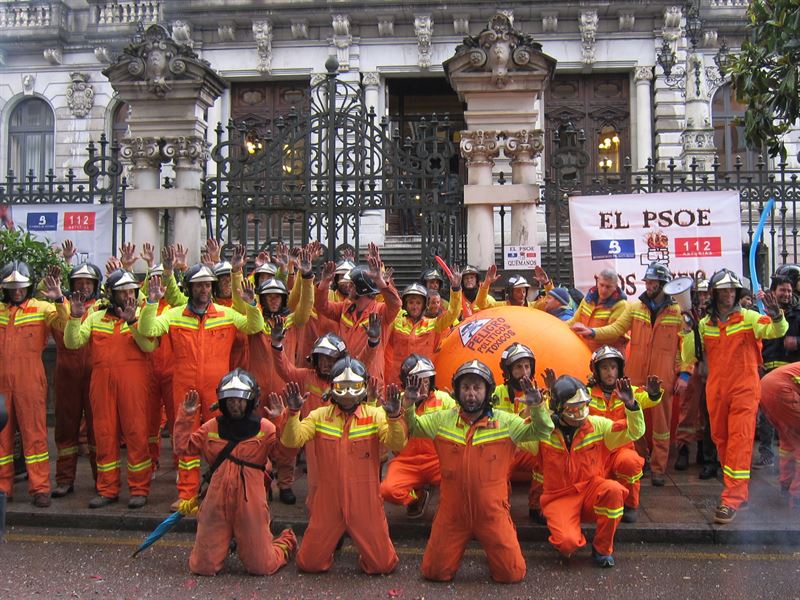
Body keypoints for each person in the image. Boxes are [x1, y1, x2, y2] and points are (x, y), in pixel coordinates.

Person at [404, 359, 553, 583]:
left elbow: (543, 431)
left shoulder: (505, 422)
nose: (471, 394)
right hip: (452, 514)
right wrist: (408, 405)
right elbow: (413, 427)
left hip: (493, 514)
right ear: (457, 392)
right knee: (434, 573)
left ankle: (495, 552)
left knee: (511, 575)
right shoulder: (442, 420)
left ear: (488, 391)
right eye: (465, 388)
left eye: (477, 387)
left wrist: (537, 407)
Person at [140, 263, 265, 508]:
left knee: (220, 439)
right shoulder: (175, 315)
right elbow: (147, 329)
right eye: (199, 285)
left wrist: (252, 305)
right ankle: (187, 495)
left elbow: (254, 327)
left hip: (216, 392)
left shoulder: (225, 314)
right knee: (186, 441)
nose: (204, 289)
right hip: (184, 390)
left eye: (208, 284)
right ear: (190, 288)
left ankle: (219, 492)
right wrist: (152, 302)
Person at [280, 357, 406, 574]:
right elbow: (292, 441)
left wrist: (394, 417)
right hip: (328, 501)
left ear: (363, 387)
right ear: (332, 387)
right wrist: (293, 414)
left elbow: (397, 444)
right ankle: (287, 542)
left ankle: (366, 550)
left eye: (353, 386)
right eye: (342, 387)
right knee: (308, 564)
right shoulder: (319, 415)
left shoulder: (375, 415)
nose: (347, 393)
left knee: (383, 566)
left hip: (365, 501)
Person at [681, 269, 787, 524]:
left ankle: (733, 498)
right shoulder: (705, 324)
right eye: (724, 290)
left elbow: (776, 331)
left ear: (737, 292)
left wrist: (776, 316)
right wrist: (689, 329)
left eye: (732, 290)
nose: (729, 294)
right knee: (722, 441)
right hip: (716, 391)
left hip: (744, 390)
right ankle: (740, 491)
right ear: (715, 294)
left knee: (739, 441)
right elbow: (687, 355)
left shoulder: (749, 317)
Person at [173, 369, 297, 576]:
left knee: (262, 567)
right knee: (202, 567)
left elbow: (285, 454)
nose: (235, 405)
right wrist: (186, 415)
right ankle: (227, 541)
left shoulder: (264, 428)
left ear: (250, 401)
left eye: (240, 400)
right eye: (230, 400)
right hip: (216, 500)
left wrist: (282, 420)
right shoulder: (211, 427)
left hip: (250, 502)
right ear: (222, 401)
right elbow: (182, 447)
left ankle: (286, 541)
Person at [521, 374, 645, 568]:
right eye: (573, 408)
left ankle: (602, 549)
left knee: (613, 490)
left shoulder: (597, 425)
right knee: (567, 544)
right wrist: (533, 409)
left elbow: (634, 431)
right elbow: (518, 434)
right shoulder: (543, 432)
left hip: (591, 491)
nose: (580, 413)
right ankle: (569, 528)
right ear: (559, 408)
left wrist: (631, 405)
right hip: (559, 497)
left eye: (583, 406)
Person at [62, 269, 158, 508]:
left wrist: (132, 322)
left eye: (131, 290)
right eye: (122, 291)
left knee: (136, 435)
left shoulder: (143, 315)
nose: (127, 295)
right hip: (102, 386)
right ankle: (107, 489)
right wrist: (74, 318)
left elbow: (149, 346)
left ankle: (139, 489)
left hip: (133, 386)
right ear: (111, 294)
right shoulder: (95, 317)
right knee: (105, 436)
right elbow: (72, 342)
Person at [587, 262, 683, 486]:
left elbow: (685, 344)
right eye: (648, 281)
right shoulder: (635, 308)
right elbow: (616, 329)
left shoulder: (677, 312)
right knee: (634, 419)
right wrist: (592, 332)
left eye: (653, 282)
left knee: (661, 426)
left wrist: (685, 373)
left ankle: (659, 468)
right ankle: (642, 460)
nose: (649, 285)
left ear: (663, 284)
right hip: (635, 375)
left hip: (662, 376)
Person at [0, 261, 59, 507]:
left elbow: (65, 328)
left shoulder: (42, 308)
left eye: (21, 287)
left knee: (34, 435)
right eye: (12, 288)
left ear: (29, 286)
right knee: (1, 437)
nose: (17, 292)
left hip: (30, 381)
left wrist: (60, 300)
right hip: (1, 382)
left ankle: (40, 488)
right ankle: (3, 488)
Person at [587, 346, 662, 522]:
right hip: (595, 451)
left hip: (621, 450)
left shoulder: (629, 390)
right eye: (604, 368)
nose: (609, 372)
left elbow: (648, 400)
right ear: (596, 371)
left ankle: (630, 504)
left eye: (613, 367)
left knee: (631, 462)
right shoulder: (586, 393)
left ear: (619, 369)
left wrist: (654, 393)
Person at [314, 244, 401, 385]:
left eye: (352, 285)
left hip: (370, 378)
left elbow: (396, 304)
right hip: (345, 375)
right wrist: (324, 282)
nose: (348, 287)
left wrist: (380, 280)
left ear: (362, 289)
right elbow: (322, 306)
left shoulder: (380, 312)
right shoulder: (345, 308)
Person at [50, 262, 102, 498]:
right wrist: (62, 301)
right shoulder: (60, 305)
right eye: (79, 282)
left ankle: (102, 480)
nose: (83, 286)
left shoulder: (101, 307)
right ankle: (64, 480)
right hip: (67, 376)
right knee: (65, 429)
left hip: (94, 376)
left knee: (98, 431)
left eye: (88, 283)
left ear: (95, 285)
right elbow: (61, 325)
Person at [380, 354, 454, 518]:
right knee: (388, 491)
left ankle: (448, 509)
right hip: (406, 462)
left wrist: (461, 404)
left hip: (438, 460)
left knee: (460, 482)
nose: (422, 386)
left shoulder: (444, 400)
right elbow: (378, 422)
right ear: (406, 383)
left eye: (426, 381)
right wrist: (372, 401)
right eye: (416, 381)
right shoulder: (395, 402)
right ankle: (417, 497)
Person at [493, 342, 544, 519]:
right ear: (507, 371)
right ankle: (500, 508)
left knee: (547, 458)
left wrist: (536, 405)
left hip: (526, 449)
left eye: (527, 366)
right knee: (497, 473)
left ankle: (536, 506)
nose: (524, 372)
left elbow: (545, 428)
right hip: (502, 450)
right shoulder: (495, 393)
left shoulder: (539, 393)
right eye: (518, 367)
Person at [755, 271, 800, 469]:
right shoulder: (762, 313)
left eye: (789, 291)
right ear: (774, 292)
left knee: (788, 423)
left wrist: (797, 342)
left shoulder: (798, 313)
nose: (787, 294)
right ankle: (767, 454)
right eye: (783, 290)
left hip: (790, 375)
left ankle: (787, 461)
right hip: (766, 369)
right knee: (765, 416)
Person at [384, 277, 461, 385]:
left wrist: (456, 289)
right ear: (405, 305)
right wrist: (384, 285)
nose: (414, 307)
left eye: (418, 303)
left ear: (425, 305)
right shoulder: (396, 321)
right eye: (411, 303)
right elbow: (388, 305)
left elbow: (452, 313)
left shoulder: (433, 324)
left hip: (424, 381)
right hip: (398, 380)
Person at [759, 362, 800, 510]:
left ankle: (786, 484)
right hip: (781, 390)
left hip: (765, 388)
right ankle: (797, 496)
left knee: (789, 438)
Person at [569, 268, 628, 352]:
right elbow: (574, 321)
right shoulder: (587, 300)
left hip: (609, 358)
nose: (604, 290)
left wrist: (592, 332)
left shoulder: (621, 305)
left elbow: (614, 332)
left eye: (608, 287)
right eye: (601, 285)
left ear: (615, 287)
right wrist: (557, 326)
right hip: (587, 353)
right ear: (597, 282)